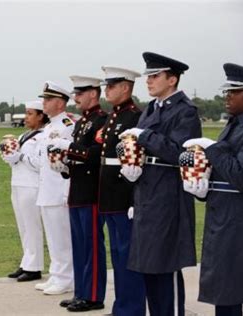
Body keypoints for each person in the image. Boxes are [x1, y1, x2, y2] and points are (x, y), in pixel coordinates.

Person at [120, 52, 202, 316]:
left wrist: (145, 135)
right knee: (148, 268)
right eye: (148, 76)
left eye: (155, 76)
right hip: (146, 193)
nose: (149, 81)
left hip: (168, 195)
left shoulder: (185, 111)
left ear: (172, 79)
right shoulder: (152, 109)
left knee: (166, 267)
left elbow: (180, 151)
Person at [182, 63, 243, 316]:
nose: (227, 97)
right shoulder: (233, 124)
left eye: (235, 91)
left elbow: (241, 176)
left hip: (238, 220)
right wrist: (203, 189)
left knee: (231, 288)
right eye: (226, 92)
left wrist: (212, 147)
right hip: (224, 216)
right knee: (225, 290)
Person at [48, 76, 108, 311]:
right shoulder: (82, 122)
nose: (76, 98)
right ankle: (81, 292)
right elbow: (78, 155)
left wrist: (70, 149)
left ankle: (93, 296)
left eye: (80, 93)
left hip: (92, 191)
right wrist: (64, 164)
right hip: (77, 190)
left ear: (93, 94)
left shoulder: (101, 120)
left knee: (92, 246)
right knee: (80, 246)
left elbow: (96, 153)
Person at [99, 66, 146, 315]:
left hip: (124, 193)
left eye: (111, 86)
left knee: (128, 255)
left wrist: (132, 198)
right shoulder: (114, 115)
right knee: (117, 255)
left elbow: (137, 161)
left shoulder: (135, 117)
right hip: (109, 193)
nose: (106, 90)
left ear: (126, 87)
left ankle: (133, 308)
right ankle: (122, 306)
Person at [33, 81, 74, 295]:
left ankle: (66, 279)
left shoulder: (67, 126)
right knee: (53, 237)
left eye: (47, 99)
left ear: (59, 103)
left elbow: (69, 162)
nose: (44, 103)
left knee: (62, 238)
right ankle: (56, 274)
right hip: (46, 189)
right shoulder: (49, 127)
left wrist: (67, 190)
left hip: (59, 189)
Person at [2, 100, 49, 282]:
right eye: (26, 113)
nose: (26, 117)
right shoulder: (23, 135)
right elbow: (17, 159)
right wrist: (10, 157)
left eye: (30, 113)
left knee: (32, 227)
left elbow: (39, 163)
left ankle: (34, 267)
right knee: (23, 226)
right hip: (18, 183)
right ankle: (26, 261)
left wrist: (20, 156)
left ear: (40, 116)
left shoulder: (44, 136)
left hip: (32, 185)